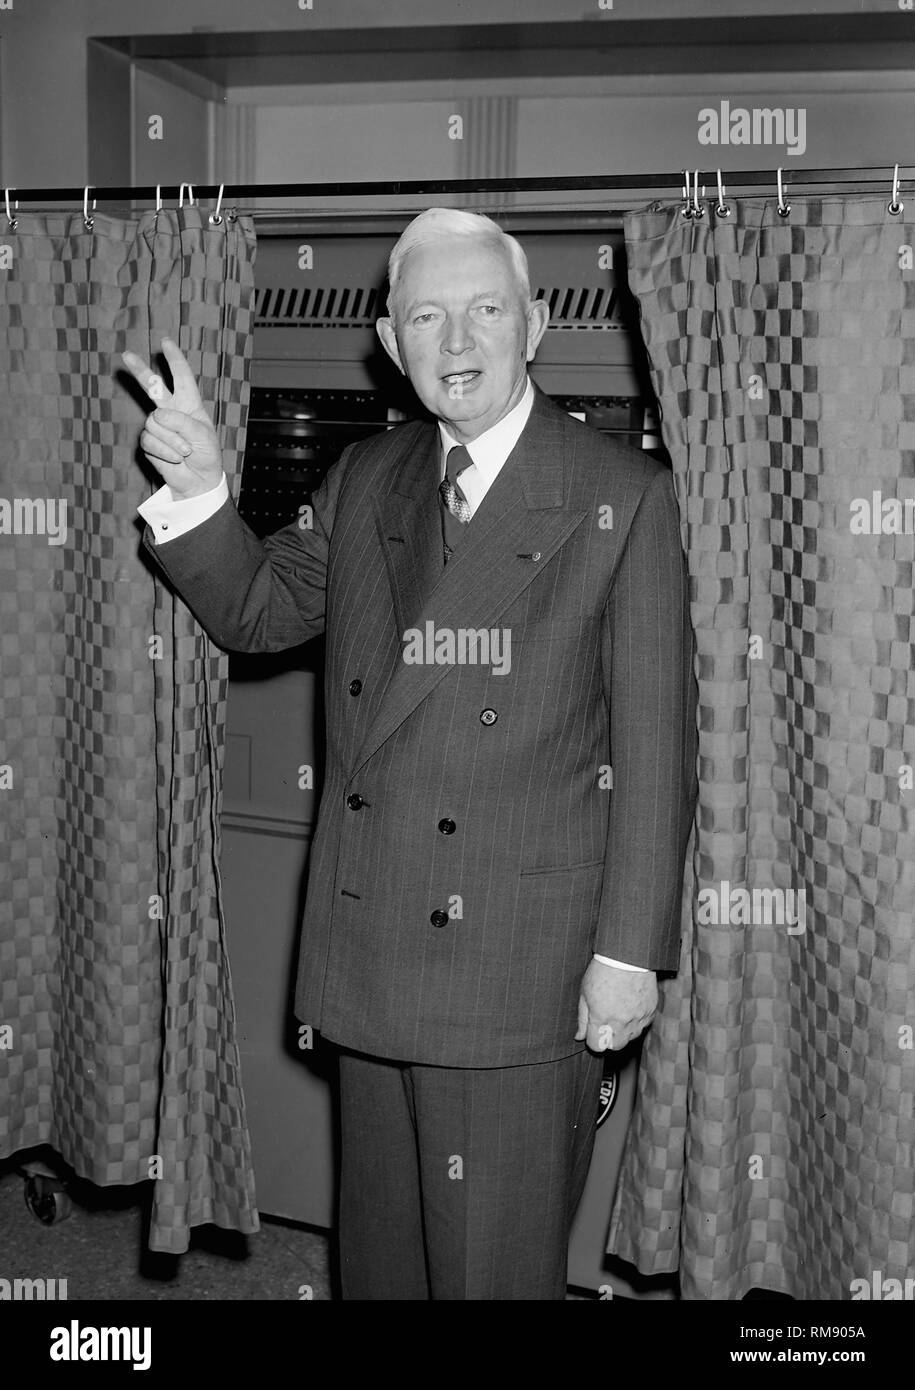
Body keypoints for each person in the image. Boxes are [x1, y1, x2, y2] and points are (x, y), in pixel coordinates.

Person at [122, 206, 698, 1301]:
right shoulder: (368, 476)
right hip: (373, 946)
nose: (458, 342)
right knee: (382, 1261)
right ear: (391, 343)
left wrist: (631, 953)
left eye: (486, 309)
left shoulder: (622, 495)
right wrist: (200, 485)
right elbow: (254, 612)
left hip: (519, 971)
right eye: (426, 316)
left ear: (535, 325)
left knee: (490, 1273)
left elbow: (657, 750)